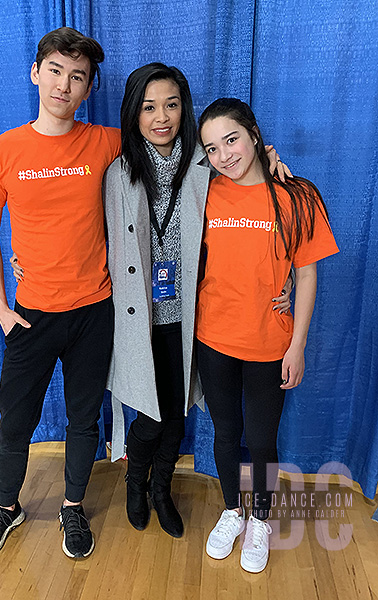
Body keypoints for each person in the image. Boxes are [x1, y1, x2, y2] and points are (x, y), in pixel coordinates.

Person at [102, 65, 292, 539]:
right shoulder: (118, 172)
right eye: (149, 107)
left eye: (171, 105)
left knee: (178, 413)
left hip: (189, 320)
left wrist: (271, 163)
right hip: (139, 318)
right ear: (134, 113)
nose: (161, 117)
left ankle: (162, 490)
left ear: (183, 108)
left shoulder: (204, 168)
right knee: (148, 416)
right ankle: (135, 483)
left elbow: (246, 180)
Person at [0, 27, 121, 560]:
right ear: (36, 73)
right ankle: (6, 509)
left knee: (84, 419)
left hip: (93, 313)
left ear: (88, 88)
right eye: (55, 71)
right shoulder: (3, 149)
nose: (64, 84)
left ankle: (72, 509)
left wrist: (262, 155)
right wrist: (0, 308)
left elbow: (174, 158)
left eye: (77, 77)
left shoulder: (106, 142)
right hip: (30, 316)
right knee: (14, 420)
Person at [196, 98, 339, 572]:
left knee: (260, 438)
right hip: (213, 339)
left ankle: (260, 518)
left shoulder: (296, 196)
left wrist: (296, 343)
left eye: (231, 140)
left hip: (267, 343)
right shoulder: (205, 192)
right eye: (211, 148)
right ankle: (231, 511)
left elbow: (308, 273)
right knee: (225, 432)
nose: (224, 156)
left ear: (254, 135)